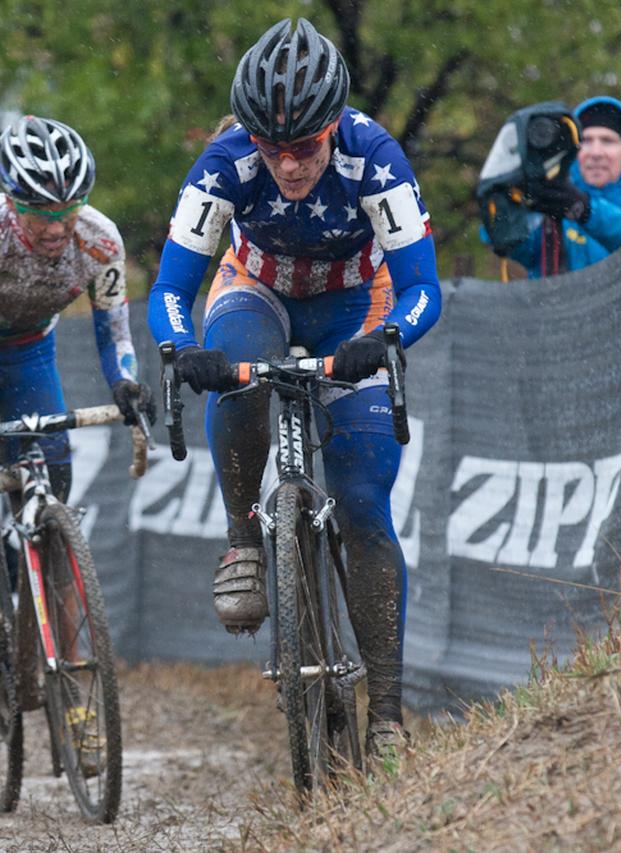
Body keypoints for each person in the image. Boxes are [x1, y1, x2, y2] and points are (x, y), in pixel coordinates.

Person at [146, 18, 442, 759]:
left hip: (357, 300)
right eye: (271, 148)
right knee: (236, 369)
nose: (288, 164)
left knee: (366, 499)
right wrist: (182, 349)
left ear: (333, 125)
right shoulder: (223, 163)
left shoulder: (375, 156)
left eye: (304, 147)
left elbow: (423, 289)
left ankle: (388, 718)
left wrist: (389, 338)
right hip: (258, 289)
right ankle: (245, 538)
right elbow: (172, 288)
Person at [0, 116, 154, 668]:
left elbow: (115, 334)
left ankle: (70, 679)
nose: (57, 229)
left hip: (29, 356)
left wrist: (127, 386)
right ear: (13, 203)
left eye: (67, 212)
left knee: (52, 496)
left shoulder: (99, 240)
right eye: (42, 215)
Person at [501, 96, 621, 278]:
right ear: (572, 149)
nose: (596, 153)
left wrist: (585, 210)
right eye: (585, 140)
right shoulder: (549, 215)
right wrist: (505, 196)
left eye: (608, 140)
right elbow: (510, 242)